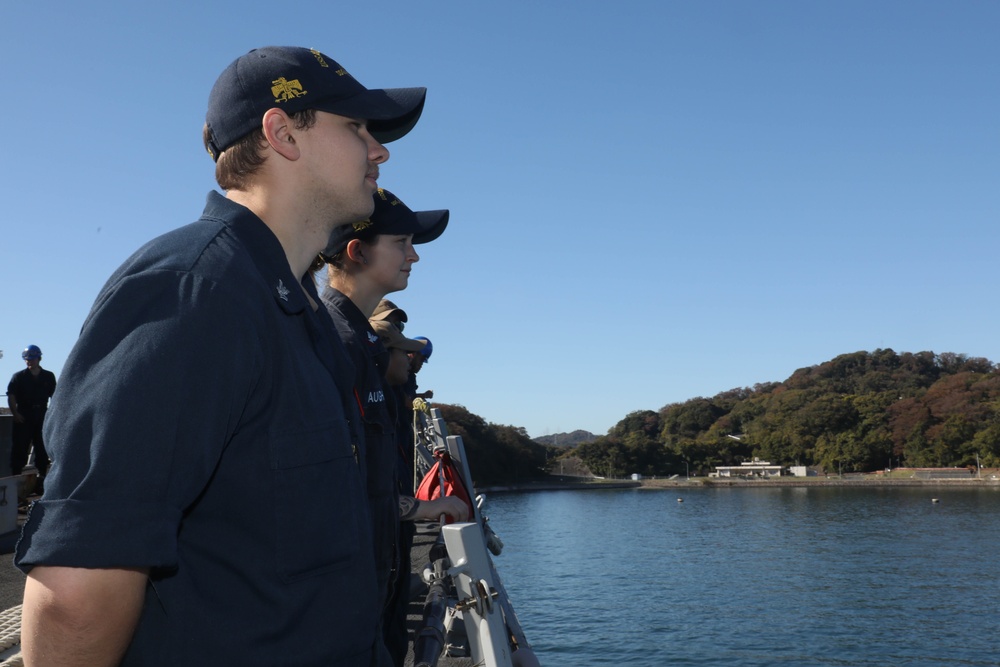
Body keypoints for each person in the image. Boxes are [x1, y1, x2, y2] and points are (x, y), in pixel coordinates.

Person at [15, 46, 427, 667]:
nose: (380, 150)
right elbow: (77, 591)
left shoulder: (296, 313)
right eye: (357, 128)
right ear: (283, 133)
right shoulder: (195, 291)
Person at [318, 191, 465, 666]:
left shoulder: (358, 342)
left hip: (375, 582)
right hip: (348, 599)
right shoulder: (336, 348)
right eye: (402, 241)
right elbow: (339, 489)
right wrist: (430, 506)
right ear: (357, 252)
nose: (414, 254)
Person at [6, 345, 57, 484]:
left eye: (32, 359)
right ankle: (15, 477)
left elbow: (55, 396)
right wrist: (15, 413)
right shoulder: (18, 377)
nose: (30, 362)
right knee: (20, 447)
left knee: (41, 447)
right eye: (27, 359)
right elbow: (11, 396)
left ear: (38, 359)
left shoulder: (48, 376)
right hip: (24, 415)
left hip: (42, 414)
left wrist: (52, 414)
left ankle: (42, 477)